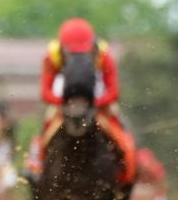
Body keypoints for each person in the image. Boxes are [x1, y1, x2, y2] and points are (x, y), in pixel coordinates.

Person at [24, 18, 136, 184]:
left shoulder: (103, 56)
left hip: (99, 103)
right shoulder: (52, 58)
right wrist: (63, 104)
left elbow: (113, 92)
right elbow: (45, 93)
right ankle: (35, 166)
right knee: (46, 131)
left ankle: (126, 172)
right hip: (63, 105)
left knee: (120, 135)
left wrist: (95, 104)